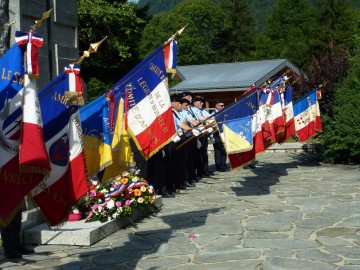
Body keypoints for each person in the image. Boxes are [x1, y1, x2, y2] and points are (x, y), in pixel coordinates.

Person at [189, 96, 214, 178]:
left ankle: (204, 170)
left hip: (203, 132)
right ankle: (200, 171)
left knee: (204, 153)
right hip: (197, 133)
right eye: (200, 102)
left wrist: (213, 120)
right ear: (195, 103)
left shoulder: (202, 110)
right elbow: (200, 118)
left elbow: (209, 117)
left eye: (202, 102)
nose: (202, 104)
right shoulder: (192, 110)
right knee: (198, 154)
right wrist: (209, 121)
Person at [211, 101, 227, 172]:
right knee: (217, 150)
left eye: (223, 105)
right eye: (221, 105)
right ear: (216, 106)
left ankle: (223, 166)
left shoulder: (224, 113)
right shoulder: (213, 114)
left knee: (224, 149)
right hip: (216, 133)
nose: (223, 107)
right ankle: (218, 166)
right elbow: (211, 124)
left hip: (224, 132)